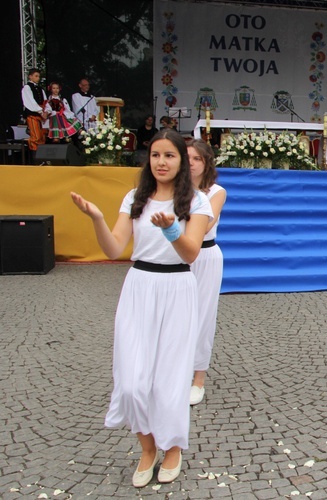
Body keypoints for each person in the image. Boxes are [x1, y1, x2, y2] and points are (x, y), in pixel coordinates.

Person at [70, 128, 212, 487]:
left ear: (182, 162)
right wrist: (97, 218)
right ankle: (147, 448)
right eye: (155, 155)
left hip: (177, 287)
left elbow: (191, 252)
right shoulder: (135, 197)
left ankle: (174, 448)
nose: (161, 162)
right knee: (132, 382)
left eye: (169, 156)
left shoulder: (196, 202)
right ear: (147, 160)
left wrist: (170, 231)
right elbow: (114, 249)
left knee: (168, 381)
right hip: (138, 288)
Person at [186, 139, 226, 406]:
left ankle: (198, 379)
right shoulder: (172, 190)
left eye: (197, 158)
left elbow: (206, 222)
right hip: (177, 255)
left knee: (202, 316)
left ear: (206, 163)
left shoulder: (216, 192)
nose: (191, 163)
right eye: (186, 157)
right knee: (176, 315)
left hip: (205, 255)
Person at [21, 68, 48, 151]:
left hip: (41, 115)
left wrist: (46, 111)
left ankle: (41, 157)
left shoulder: (40, 89)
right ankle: (35, 158)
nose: (38, 78)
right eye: (36, 76)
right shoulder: (27, 87)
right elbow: (30, 102)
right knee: (35, 136)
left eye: (39, 76)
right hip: (33, 115)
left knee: (42, 136)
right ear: (30, 76)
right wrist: (40, 111)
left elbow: (46, 101)